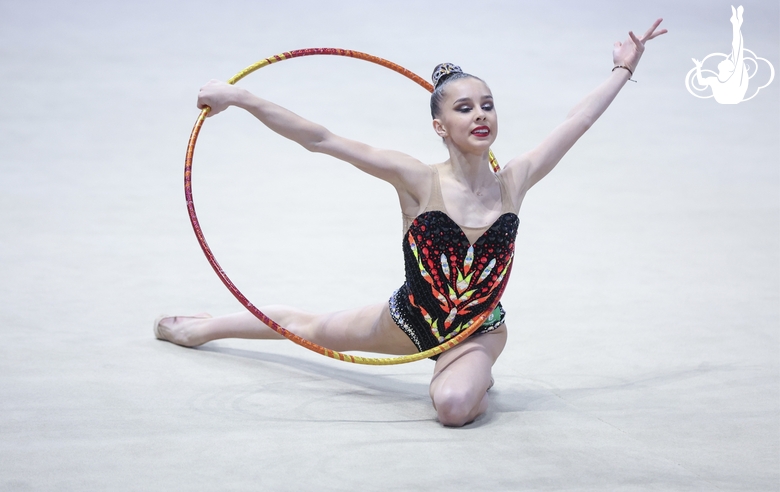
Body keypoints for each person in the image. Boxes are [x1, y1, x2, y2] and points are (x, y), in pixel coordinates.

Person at [155, 19, 667, 427]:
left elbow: (576, 122)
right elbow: (322, 139)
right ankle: (204, 329)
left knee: (452, 407)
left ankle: (471, 372)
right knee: (310, 328)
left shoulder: (515, 180)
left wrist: (623, 69)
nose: (480, 115)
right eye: (464, 108)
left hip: (477, 330)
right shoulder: (417, 180)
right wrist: (240, 97)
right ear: (440, 126)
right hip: (407, 321)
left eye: (487, 105)